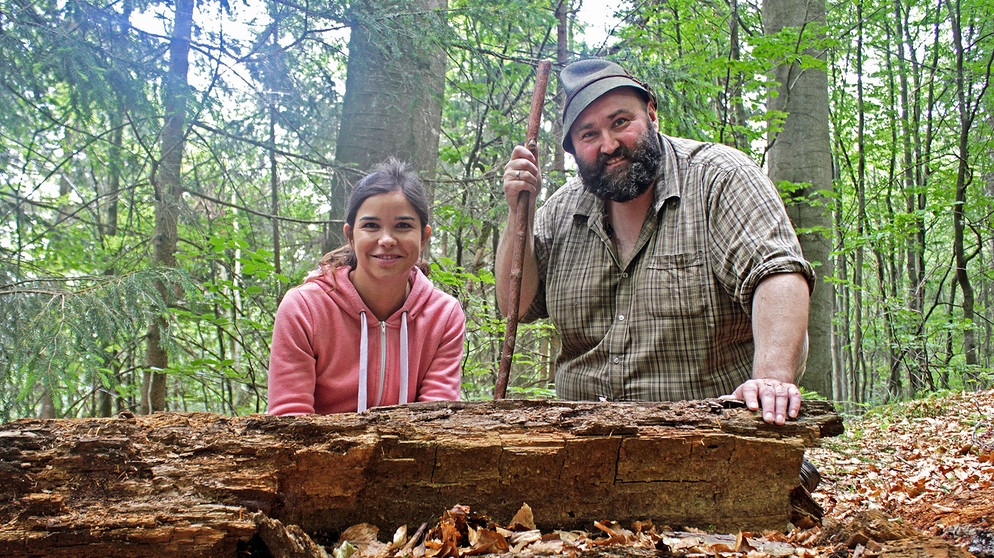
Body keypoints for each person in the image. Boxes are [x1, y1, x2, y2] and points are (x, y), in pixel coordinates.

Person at [496, 59, 815, 428]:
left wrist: (771, 379)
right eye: (588, 135)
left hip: (709, 439)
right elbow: (515, 307)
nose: (609, 145)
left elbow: (777, 273)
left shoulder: (720, 178)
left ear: (651, 114)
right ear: (573, 151)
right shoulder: (559, 211)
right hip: (581, 447)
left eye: (620, 122)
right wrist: (520, 212)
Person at [268, 158, 465, 415]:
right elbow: (289, 419)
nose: (386, 240)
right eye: (371, 226)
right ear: (350, 235)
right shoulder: (304, 308)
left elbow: (435, 419)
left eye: (403, 226)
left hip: (412, 453)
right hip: (317, 452)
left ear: (424, 236)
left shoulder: (444, 315)